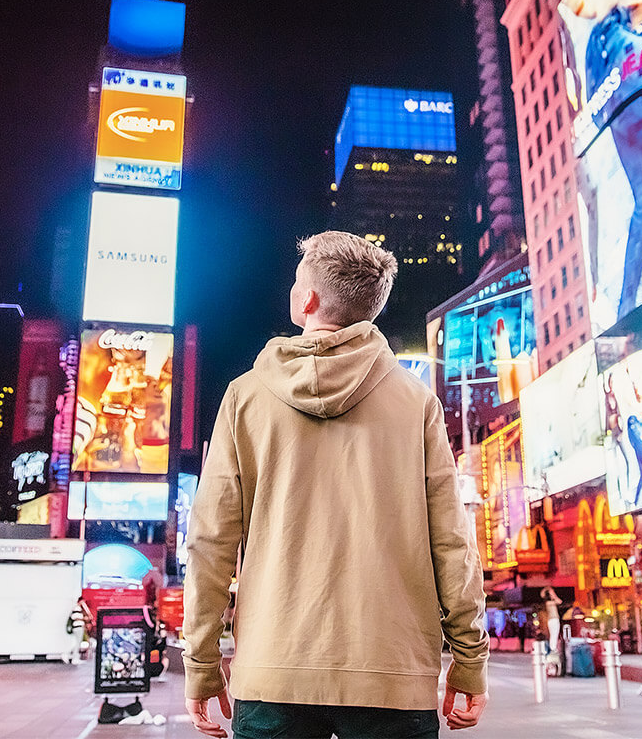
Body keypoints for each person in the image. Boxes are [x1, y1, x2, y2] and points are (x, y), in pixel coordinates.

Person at [184, 232, 489, 739]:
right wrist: (469, 658)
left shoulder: (245, 397)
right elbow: (453, 544)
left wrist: (202, 662)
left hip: (272, 674)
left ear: (307, 300)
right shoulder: (417, 403)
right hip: (392, 676)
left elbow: (211, 541)